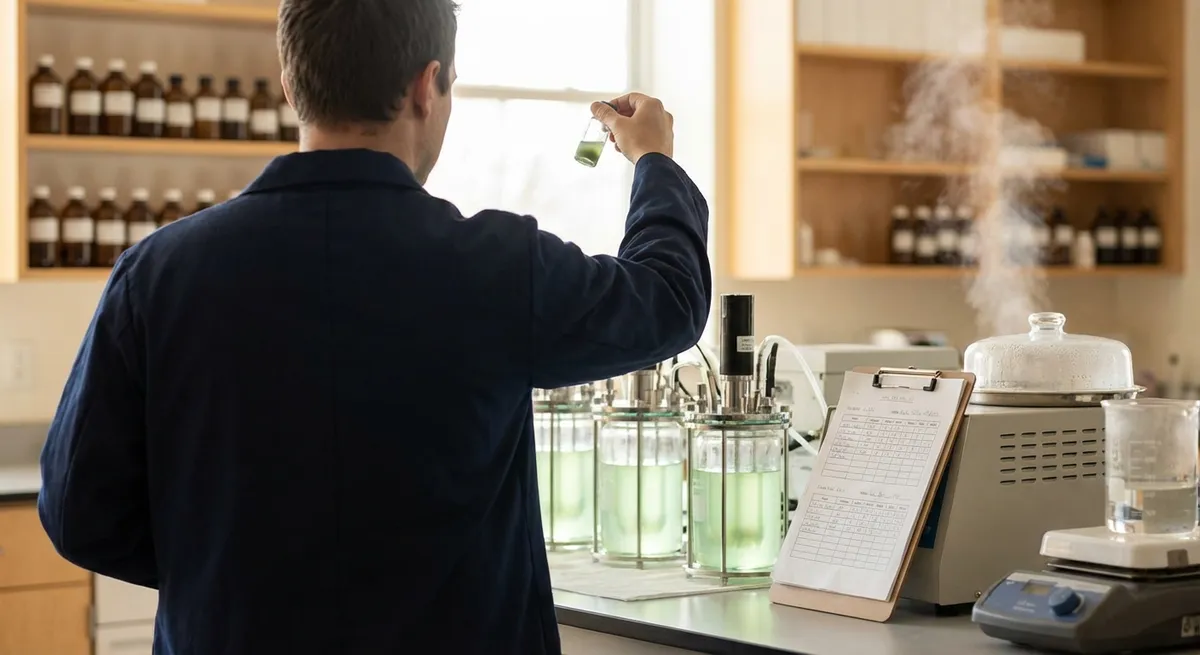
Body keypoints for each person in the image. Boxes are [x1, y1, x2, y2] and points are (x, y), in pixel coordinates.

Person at [37, 1, 710, 653]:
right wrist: (655, 161)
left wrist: (227, 566)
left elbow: (78, 511)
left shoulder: (156, 275)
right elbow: (668, 298)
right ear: (428, 86)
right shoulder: (500, 269)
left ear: (290, 86)